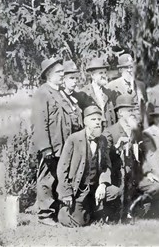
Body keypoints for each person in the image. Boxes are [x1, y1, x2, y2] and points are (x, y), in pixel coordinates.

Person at [57, 106, 122, 227]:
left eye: (99, 119)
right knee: (79, 222)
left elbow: (106, 166)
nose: (98, 122)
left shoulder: (102, 140)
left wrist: (103, 185)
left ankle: (97, 213)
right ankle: (64, 211)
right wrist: (66, 193)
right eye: (93, 119)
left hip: (95, 188)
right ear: (85, 122)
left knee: (115, 192)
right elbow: (62, 168)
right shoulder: (74, 139)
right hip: (78, 190)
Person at [31, 58, 73, 226]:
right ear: (48, 75)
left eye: (63, 71)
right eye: (59, 72)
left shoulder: (60, 92)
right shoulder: (42, 93)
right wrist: (45, 148)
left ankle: (56, 211)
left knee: (59, 178)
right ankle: (44, 215)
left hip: (63, 145)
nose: (63, 74)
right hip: (50, 147)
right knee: (47, 179)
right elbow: (39, 123)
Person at [103, 94, 144, 221]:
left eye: (134, 110)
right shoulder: (110, 132)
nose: (133, 113)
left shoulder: (137, 131)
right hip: (117, 176)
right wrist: (116, 147)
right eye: (129, 110)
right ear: (120, 113)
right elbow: (104, 157)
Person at [74, 57, 116, 127]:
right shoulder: (83, 93)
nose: (104, 75)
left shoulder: (108, 92)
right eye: (101, 73)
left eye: (105, 72)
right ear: (93, 75)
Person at [61, 60, 83, 132]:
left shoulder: (76, 96)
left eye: (76, 78)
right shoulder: (59, 96)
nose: (75, 81)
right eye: (71, 78)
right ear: (63, 79)